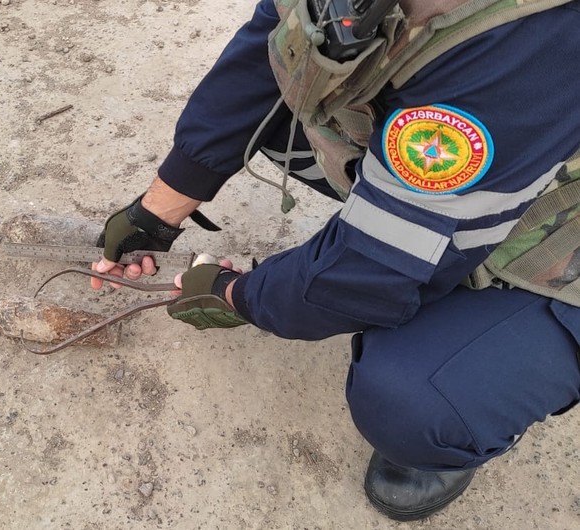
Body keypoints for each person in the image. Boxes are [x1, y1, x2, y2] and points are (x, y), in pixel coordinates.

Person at [90, 0, 580, 521]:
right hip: (500, 149)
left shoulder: (525, 35)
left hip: (560, 240)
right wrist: (159, 210)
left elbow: (365, 274)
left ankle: (463, 407)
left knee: (412, 399)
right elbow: (278, 41)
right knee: (287, 106)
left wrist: (236, 294)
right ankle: (419, 212)